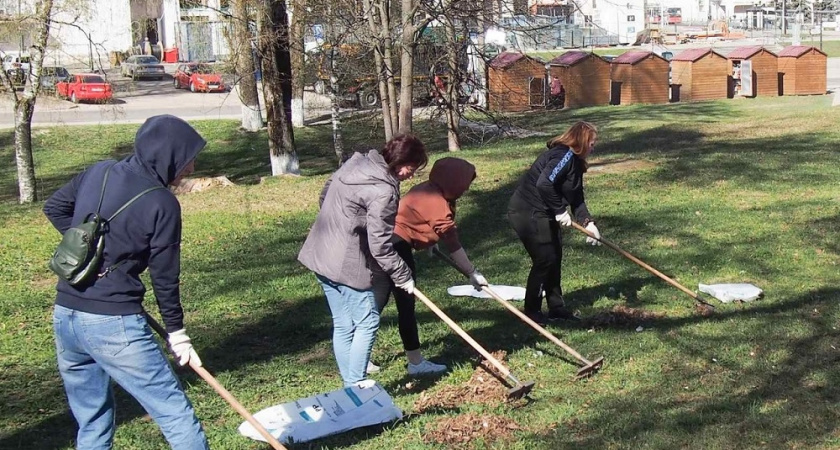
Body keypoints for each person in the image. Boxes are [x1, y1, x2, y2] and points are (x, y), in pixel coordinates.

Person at [43, 115, 210, 449]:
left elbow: (56, 207)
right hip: (113, 325)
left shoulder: (99, 171)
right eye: (189, 158)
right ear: (170, 155)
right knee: (174, 413)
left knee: (92, 420)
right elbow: (165, 277)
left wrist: (92, 254)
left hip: (66, 315)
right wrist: (177, 334)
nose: (191, 168)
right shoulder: (162, 203)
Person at [298, 134, 429, 387]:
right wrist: (404, 277)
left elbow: (324, 196)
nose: (410, 175)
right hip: (345, 264)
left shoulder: (355, 164)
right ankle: (357, 384)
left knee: (344, 323)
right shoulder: (384, 191)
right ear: (398, 161)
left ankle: (351, 387)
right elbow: (380, 245)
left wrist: (343, 223)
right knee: (367, 320)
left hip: (320, 252)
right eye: (410, 169)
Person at [369, 157, 488, 376]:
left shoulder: (425, 189)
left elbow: (413, 219)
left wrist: (428, 243)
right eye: (464, 184)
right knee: (404, 305)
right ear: (454, 181)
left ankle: (360, 357)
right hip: (395, 248)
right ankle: (415, 363)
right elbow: (452, 242)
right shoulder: (437, 203)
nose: (465, 189)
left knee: (377, 302)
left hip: (383, 243)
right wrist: (472, 272)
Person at [506, 121, 602, 325]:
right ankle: (531, 311)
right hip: (527, 210)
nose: (593, 147)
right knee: (545, 259)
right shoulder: (563, 155)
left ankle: (556, 308)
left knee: (555, 256)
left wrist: (588, 223)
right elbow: (544, 183)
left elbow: (577, 198)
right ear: (582, 142)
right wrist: (559, 211)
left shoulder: (576, 163)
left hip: (545, 211)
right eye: (592, 143)